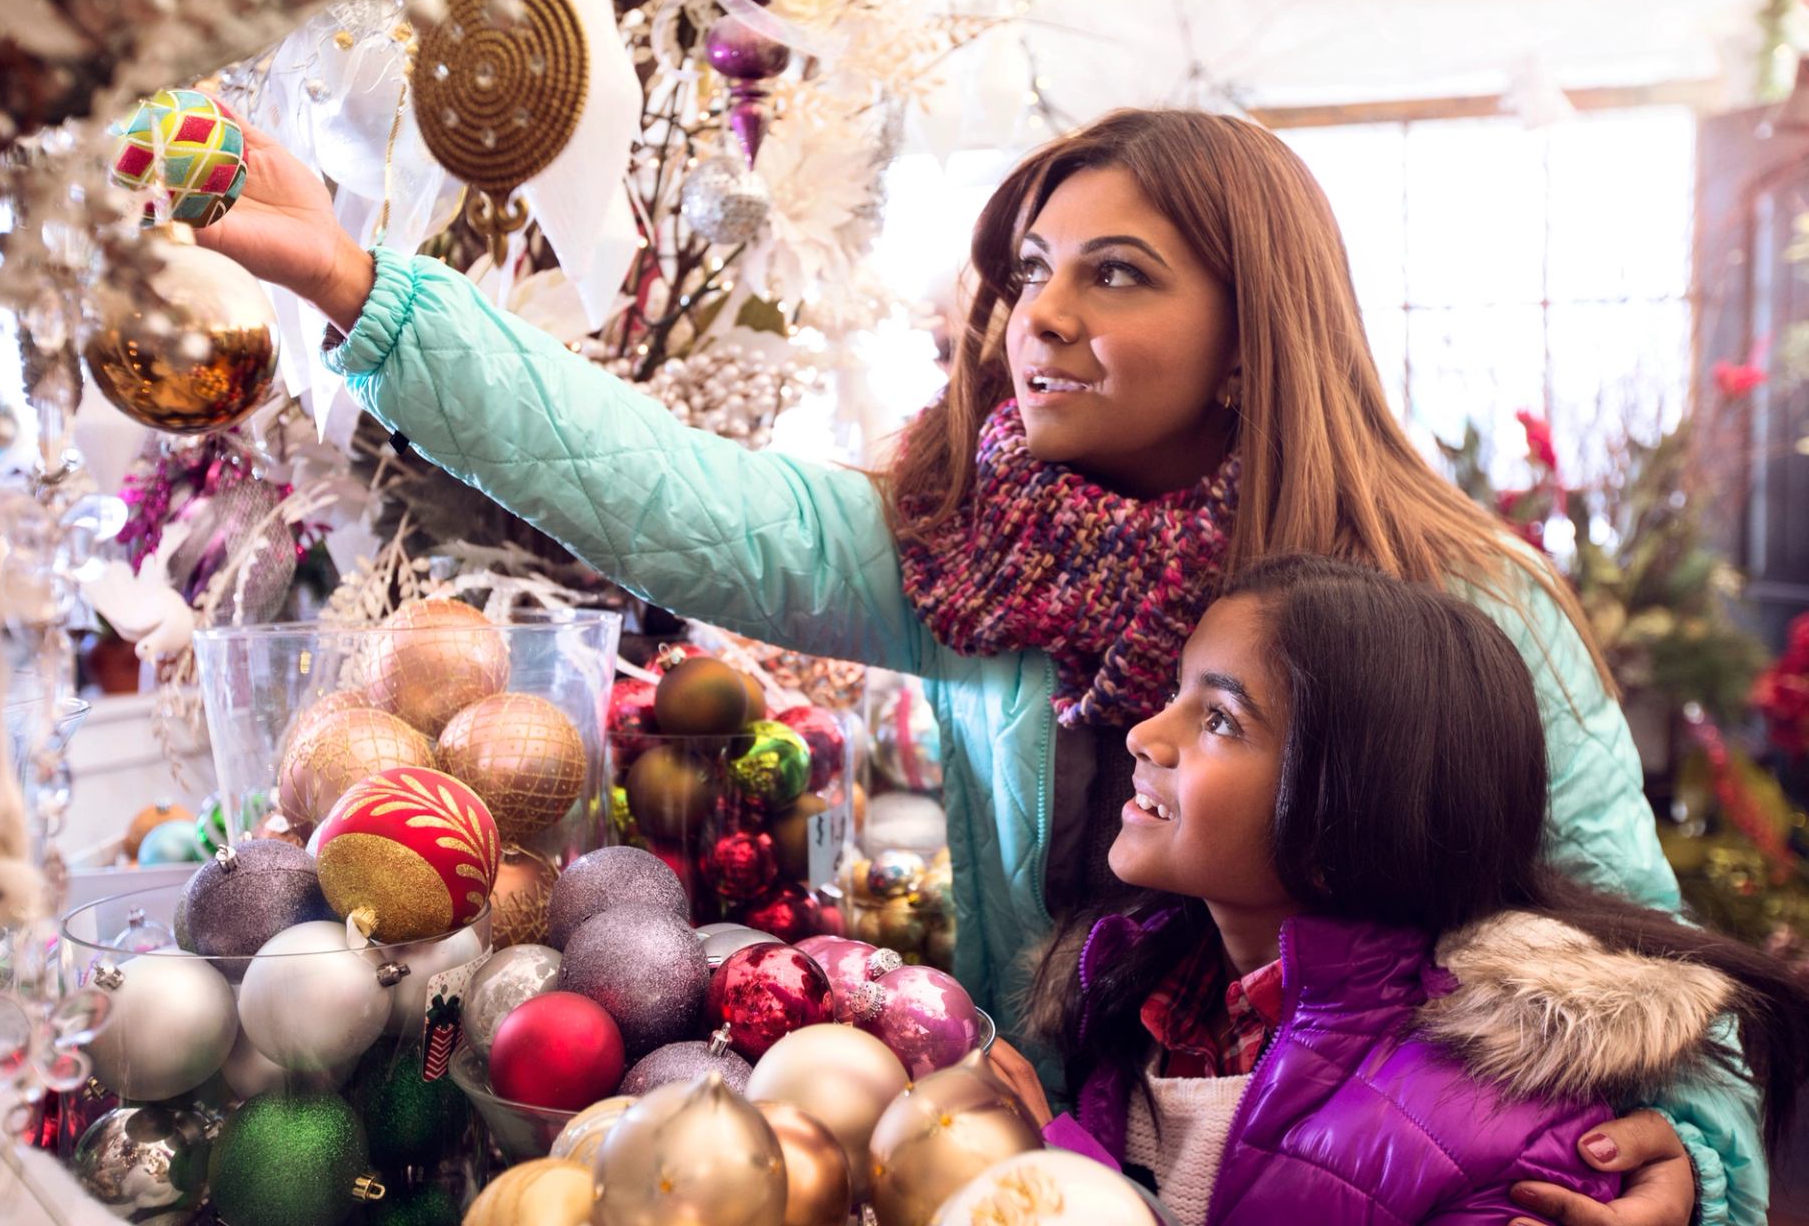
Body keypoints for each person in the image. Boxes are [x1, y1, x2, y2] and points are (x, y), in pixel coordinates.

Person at [199, 104, 1764, 1222]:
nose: (1040, 317)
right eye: (1028, 270)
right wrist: (359, 286)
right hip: (1062, 1167)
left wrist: (1694, 1158)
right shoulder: (969, 552)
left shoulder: (1462, 605)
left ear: (1254, 326)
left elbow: (1635, 954)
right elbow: (678, 502)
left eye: (1117, 273)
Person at [1012, 554, 1809, 1225]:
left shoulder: (1501, 1142)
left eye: (1218, 718)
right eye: (1176, 695)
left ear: (1347, 816)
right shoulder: (1147, 996)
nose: (1144, 734)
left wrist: (1050, 1163)